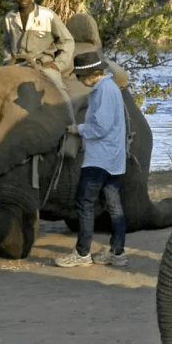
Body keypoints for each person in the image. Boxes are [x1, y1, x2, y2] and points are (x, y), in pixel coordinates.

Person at [54, 51, 128, 268]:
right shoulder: (110, 88)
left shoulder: (103, 90)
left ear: (89, 74)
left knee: (85, 203)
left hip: (99, 158)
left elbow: (101, 127)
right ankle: (118, 253)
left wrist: (78, 129)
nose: (78, 80)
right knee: (114, 206)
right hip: (114, 158)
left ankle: (82, 253)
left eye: (79, 76)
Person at [2, 0, 76, 90]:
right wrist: (9, 59)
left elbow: (67, 41)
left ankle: (66, 106)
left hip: (43, 66)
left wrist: (58, 64)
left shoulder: (47, 16)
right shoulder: (9, 18)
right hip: (17, 65)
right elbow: (6, 44)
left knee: (58, 91)